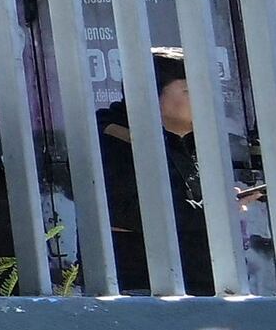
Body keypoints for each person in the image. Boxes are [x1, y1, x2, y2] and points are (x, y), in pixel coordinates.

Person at [91, 47, 237, 296]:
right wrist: (215, 210)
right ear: (149, 94)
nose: (203, 99)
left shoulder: (188, 139)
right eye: (189, 90)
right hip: (145, 288)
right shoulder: (114, 141)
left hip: (199, 284)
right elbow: (136, 212)